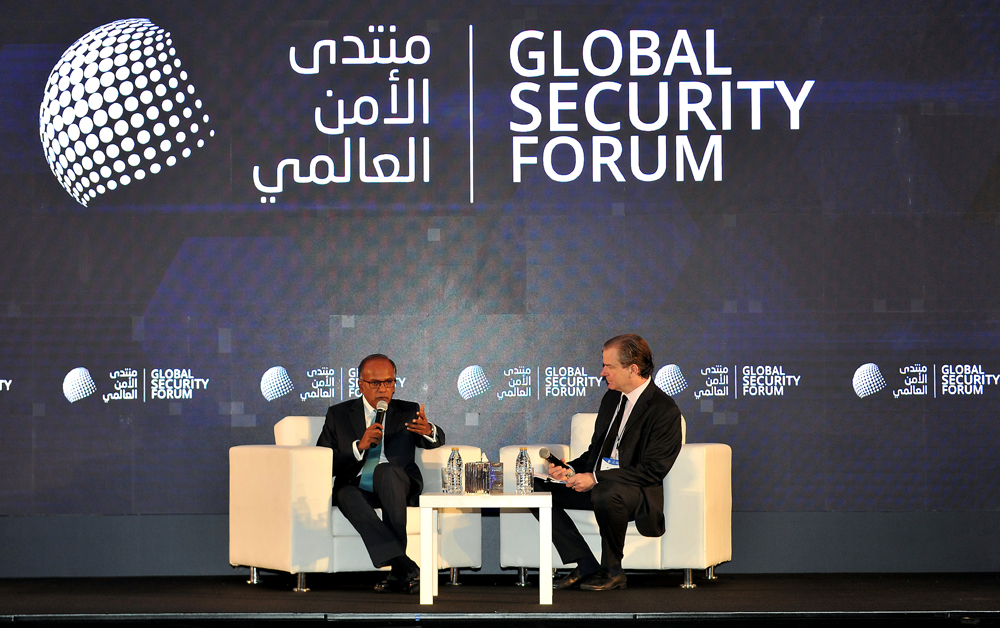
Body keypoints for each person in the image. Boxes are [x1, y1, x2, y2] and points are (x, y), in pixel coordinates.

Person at [536, 333, 683, 591]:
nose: (603, 373)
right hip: (599, 483)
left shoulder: (663, 409)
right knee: (536, 490)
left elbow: (653, 471)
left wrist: (595, 479)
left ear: (633, 369)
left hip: (634, 492)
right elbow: (597, 452)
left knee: (606, 491)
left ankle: (613, 570)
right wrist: (570, 469)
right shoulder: (612, 399)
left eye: (609, 366)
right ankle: (585, 563)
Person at [317, 354, 445, 593]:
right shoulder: (338, 415)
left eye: (389, 382)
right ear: (361, 384)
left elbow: (433, 442)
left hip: (396, 484)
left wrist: (429, 431)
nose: (383, 389)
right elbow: (321, 461)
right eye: (376, 383)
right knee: (345, 494)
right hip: (358, 488)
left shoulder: (408, 410)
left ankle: (401, 568)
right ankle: (403, 568)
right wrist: (358, 447)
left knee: (385, 471)